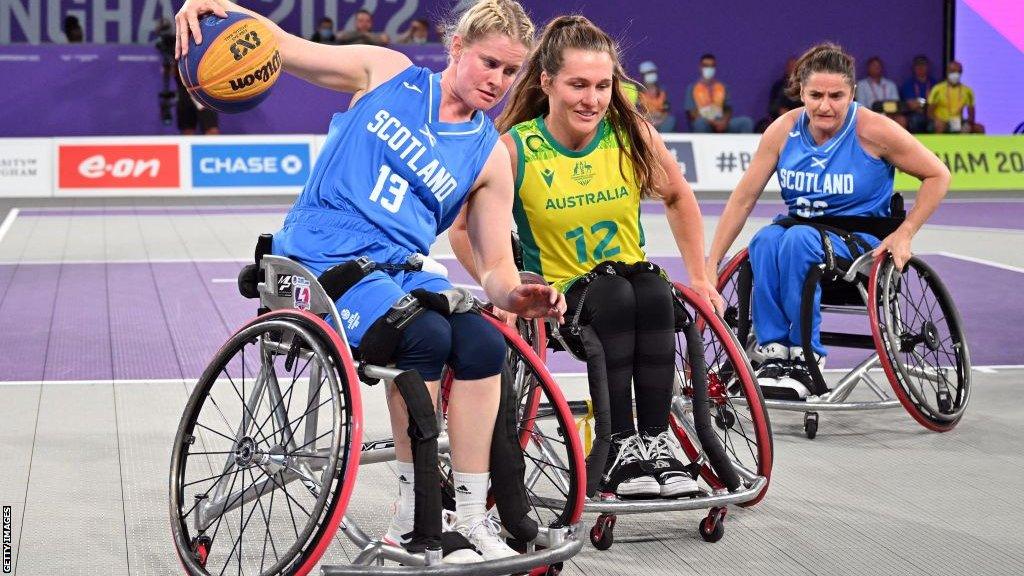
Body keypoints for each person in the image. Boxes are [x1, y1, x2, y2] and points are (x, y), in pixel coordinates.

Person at [176, 0, 561, 563]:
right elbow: (277, 45)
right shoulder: (386, 73)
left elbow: (498, 269)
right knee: (424, 336)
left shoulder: (490, 157)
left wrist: (514, 295)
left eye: (510, 72)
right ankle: (412, 519)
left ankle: (472, 516)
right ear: (456, 48)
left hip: (392, 273)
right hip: (316, 256)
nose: (497, 82)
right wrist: (223, 8)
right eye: (488, 64)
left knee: (483, 343)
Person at [450, 15, 722, 500]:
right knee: (616, 293)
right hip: (562, 300)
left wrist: (701, 277)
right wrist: (504, 290)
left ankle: (655, 443)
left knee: (657, 291)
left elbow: (679, 197)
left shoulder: (629, 133)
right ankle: (618, 444)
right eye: (578, 84)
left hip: (637, 289)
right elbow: (461, 230)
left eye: (602, 85)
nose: (592, 99)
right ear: (546, 82)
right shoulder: (515, 148)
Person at [704, 43, 950, 400]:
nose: (825, 105)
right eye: (815, 94)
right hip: (802, 235)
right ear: (800, 92)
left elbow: (937, 175)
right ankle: (773, 353)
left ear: (852, 92)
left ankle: (807, 357)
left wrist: (904, 233)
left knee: (797, 239)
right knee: (764, 241)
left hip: (860, 240)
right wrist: (712, 263)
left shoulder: (874, 129)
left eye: (836, 95)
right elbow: (743, 198)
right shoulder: (783, 130)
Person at [684, 53, 753, 133]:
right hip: (705, 123)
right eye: (706, 66)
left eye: (712, 66)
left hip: (721, 122)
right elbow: (692, 114)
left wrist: (724, 122)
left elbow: (728, 109)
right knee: (699, 123)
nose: (709, 69)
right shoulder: (692, 88)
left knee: (746, 122)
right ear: (700, 67)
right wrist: (713, 123)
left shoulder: (722, 87)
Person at [929, 60, 985, 134]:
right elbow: (930, 113)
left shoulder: (968, 91)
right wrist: (937, 120)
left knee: (979, 128)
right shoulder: (937, 89)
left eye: (958, 72)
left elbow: (971, 114)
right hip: (942, 121)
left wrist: (967, 124)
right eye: (952, 71)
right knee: (939, 126)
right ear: (947, 72)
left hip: (957, 122)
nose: (955, 74)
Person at [855, 56, 906, 128]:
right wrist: (877, 114)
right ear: (868, 68)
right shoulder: (862, 85)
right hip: (870, 114)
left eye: (878, 66)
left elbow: (896, 104)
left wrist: (887, 114)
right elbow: (861, 106)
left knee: (901, 119)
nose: (877, 68)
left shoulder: (890, 84)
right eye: (874, 65)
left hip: (890, 114)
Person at [900, 54, 936, 133]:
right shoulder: (908, 84)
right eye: (918, 65)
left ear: (928, 67)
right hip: (915, 114)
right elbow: (911, 105)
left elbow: (938, 103)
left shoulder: (935, 84)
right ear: (913, 68)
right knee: (916, 120)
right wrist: (927, 100)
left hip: (933, 113)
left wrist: (920, 102)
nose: (920, 68)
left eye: (923, 65)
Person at [637, 60, 676, 132]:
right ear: (642, 75)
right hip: (646, 120)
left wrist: (660, 119)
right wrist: (649, 118)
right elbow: (638, 110)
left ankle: (664, 141)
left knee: (670, 120)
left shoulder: (663, 91)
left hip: (661, 120)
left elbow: (666, 109)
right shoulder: (638, 92)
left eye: (653, 72)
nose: (651, 74)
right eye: (648, 73)